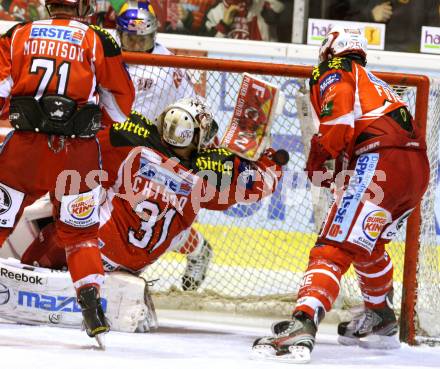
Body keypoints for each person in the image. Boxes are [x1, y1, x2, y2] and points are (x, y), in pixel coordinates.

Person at [11, 98, 283, 332]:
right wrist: (270, 158)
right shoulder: (209, 176)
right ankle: (191, 252)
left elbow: (83, 149)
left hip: (99, 247)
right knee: (178, 222)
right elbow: (261, 184)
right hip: (138, 263)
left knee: (60, 220)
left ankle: (28, 276)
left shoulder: (132, 142)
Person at [252, 26, 429, 363]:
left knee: (332, 246)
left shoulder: (333, 70)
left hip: (382, 161)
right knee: (368, 244)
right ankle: (380, 321)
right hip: (415, 170)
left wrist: (318, 157)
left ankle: (302, 324)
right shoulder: (376, 82)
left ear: (329, 51)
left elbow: (337, 126)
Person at [0, 0, 135, 343]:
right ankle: (91, 307)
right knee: (79, 236)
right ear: (84, 6)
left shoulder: (18, 33)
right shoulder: (99, 38)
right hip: (77, 154)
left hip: (24, 151)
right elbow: (121, 108)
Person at [115, 0, 214, 291]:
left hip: (150, 152)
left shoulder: (167, 64)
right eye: (130, 38)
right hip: (112, 146)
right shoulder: (108, 54)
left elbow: (193, 103)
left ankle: (198, 250)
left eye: (142, 38)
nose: (135, 44)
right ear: (119, 33)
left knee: (152, 216)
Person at [342, 0, 440, 52]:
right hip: (379, 57)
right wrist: (369, 15)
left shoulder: (429, 2)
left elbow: (434, 30)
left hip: (417, 59)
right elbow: (342, 25)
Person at [205, 0, 285, 41]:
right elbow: (208, 47)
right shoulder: (214, 12)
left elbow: (278, 12)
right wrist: (224, 24)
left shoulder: (263, 5)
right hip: (227, 64)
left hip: (261, 62)